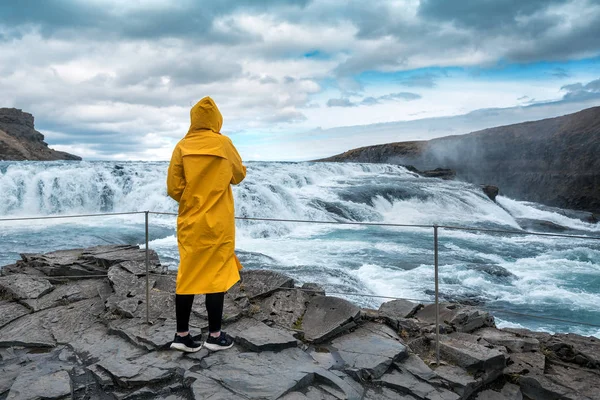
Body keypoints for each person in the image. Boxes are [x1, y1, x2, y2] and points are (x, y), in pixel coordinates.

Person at [166, 97, 246, 352]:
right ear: (216, 119)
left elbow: (173, 188)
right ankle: (215, 335)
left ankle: (182, 336)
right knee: (217, 275)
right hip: (219, 222)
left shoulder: (182, 145)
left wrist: (193, 198)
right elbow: (238, 175)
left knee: (187, 273)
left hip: (191, 220)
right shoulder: (223, 143)